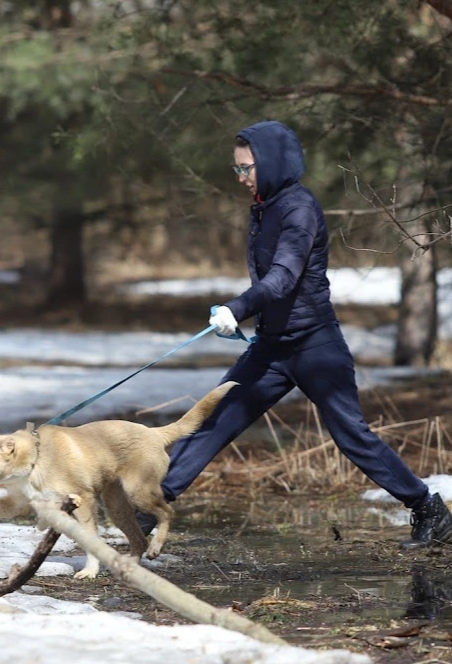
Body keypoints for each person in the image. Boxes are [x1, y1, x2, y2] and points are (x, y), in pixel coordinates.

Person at [138, 120, 452, 549]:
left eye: (247, 168)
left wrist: (238, 307)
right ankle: (150, 507)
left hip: (314, 345)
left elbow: (284, 277)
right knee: (212, 419)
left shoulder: (298, 208)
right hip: (271, 346)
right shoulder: (265, 205)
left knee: (352, 436)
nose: (242, 177)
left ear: (271, 163)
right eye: (237, 169)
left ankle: (428, 507)